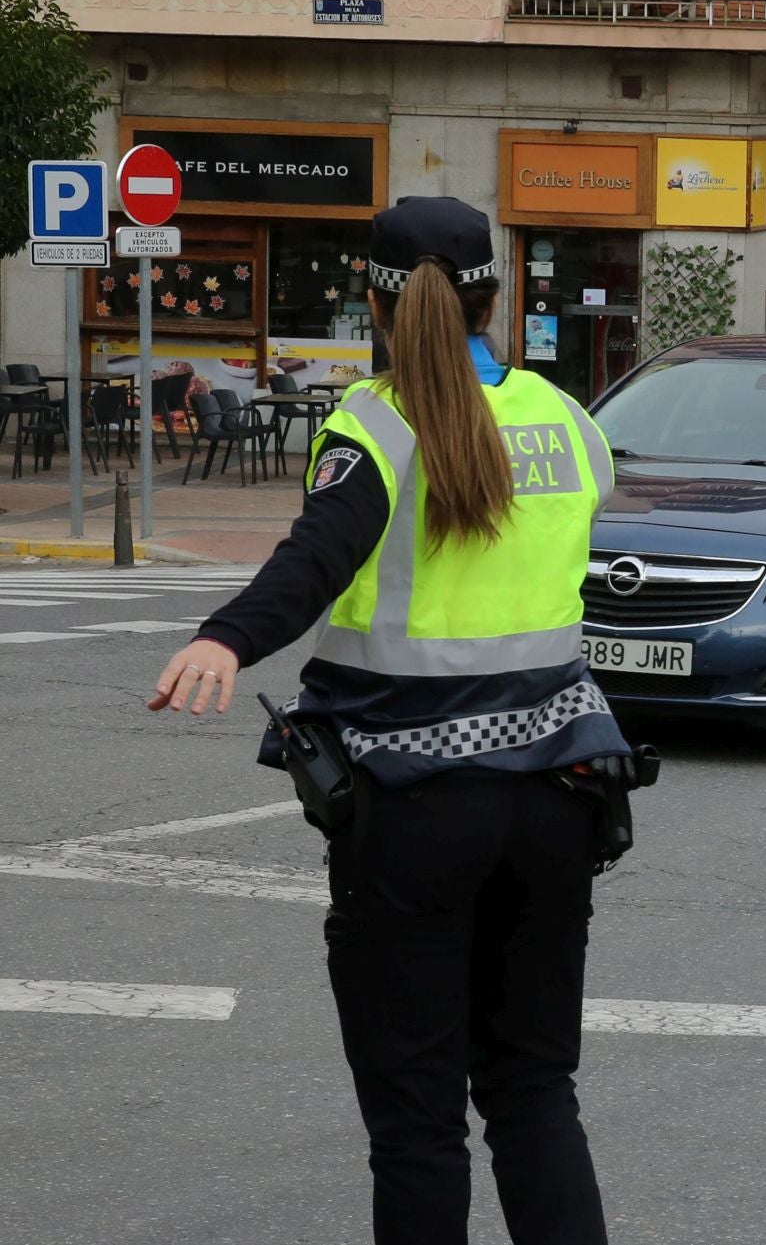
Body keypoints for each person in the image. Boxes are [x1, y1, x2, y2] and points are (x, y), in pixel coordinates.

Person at [148, 195, 642, 1245]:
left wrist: (225, 638)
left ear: (373, 303)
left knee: (418, 1127)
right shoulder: (566, 419)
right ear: (494, 296)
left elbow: (315, 556)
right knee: (534, 1093)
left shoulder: (376, 422)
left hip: (417, 811)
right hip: (560, 799)